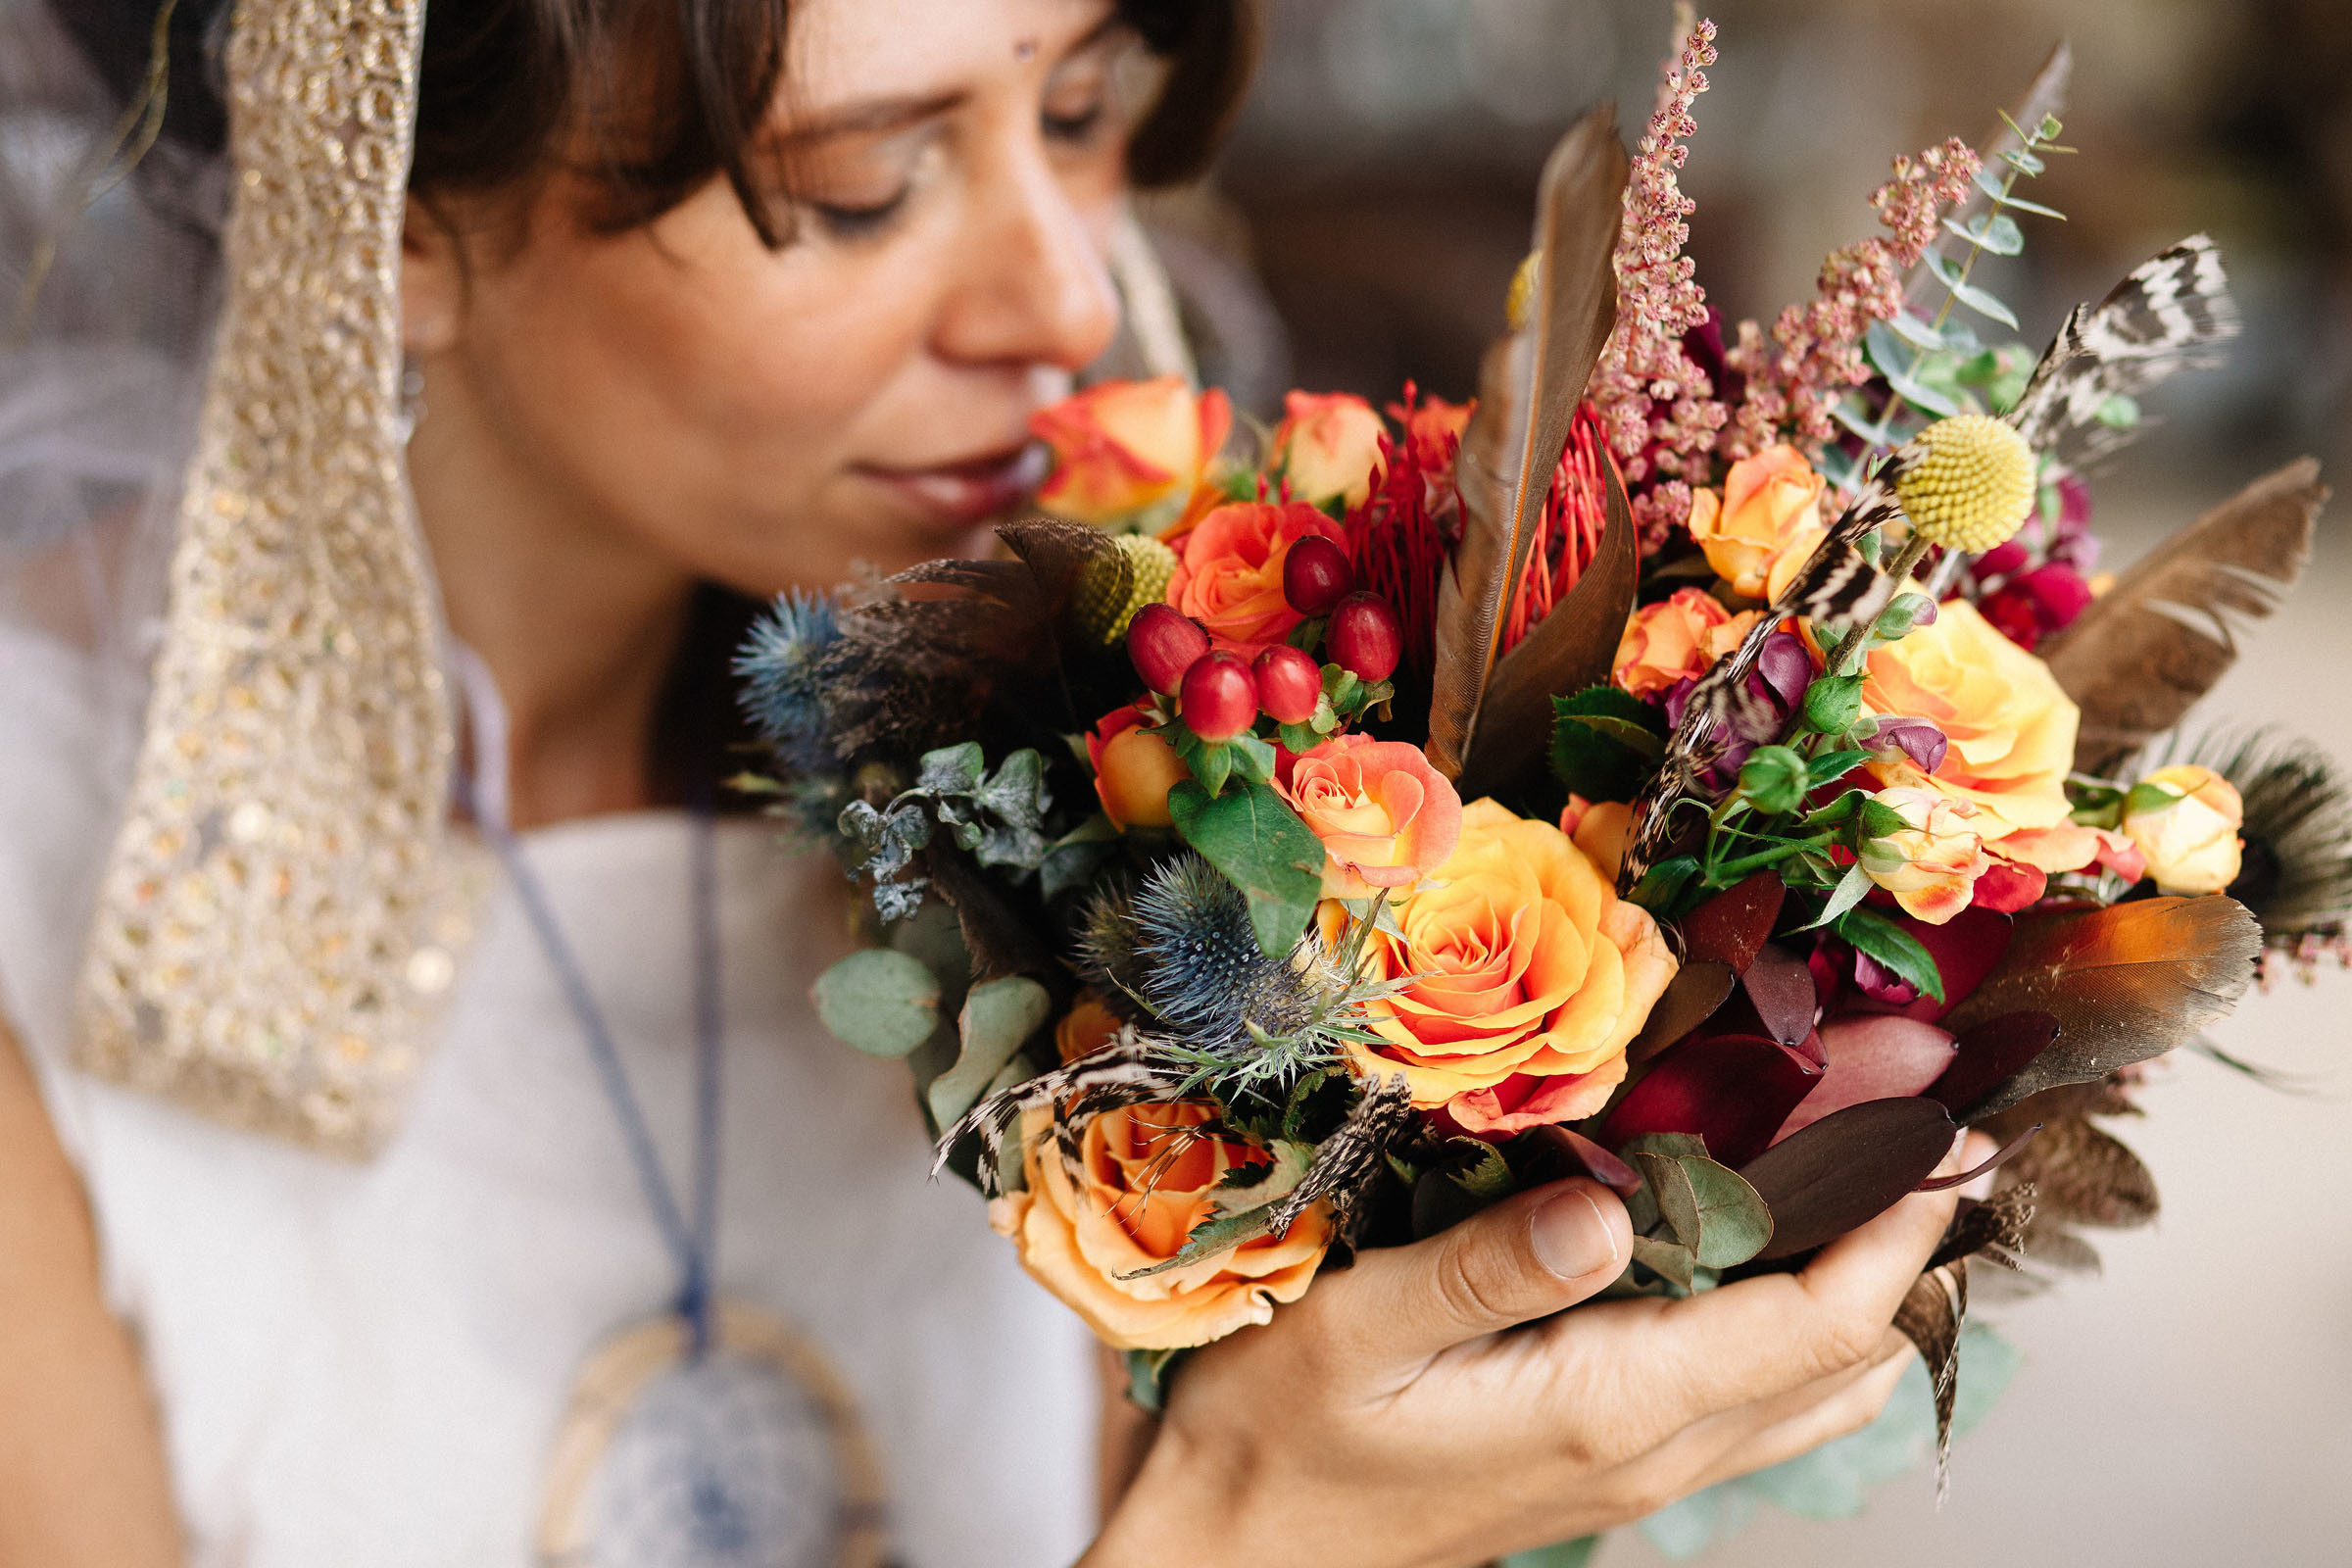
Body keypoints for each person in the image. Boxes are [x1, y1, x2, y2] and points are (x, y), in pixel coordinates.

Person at [0, 1, 1978, 1564]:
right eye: (864, 183)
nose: (1059, 295)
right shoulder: (34, 907)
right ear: (396, 213)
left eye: (1084, 104)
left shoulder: (1100, 796)